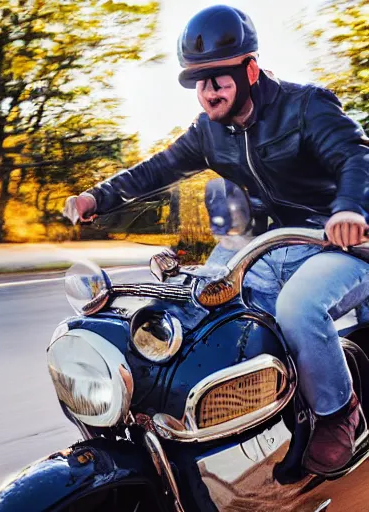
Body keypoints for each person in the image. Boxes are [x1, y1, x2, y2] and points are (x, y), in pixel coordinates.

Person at [63, 4, 369, 474]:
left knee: (297, 309)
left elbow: (355, 155)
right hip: (271, 245)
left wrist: (350, 208)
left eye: (219, 79)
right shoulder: (210, 132)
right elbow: (158, 168)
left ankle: (337, 413)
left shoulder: (306, 106)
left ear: (250, 69)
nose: (207, 92)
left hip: (341, 243)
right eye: (198, 82)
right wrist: (96, 198)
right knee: (201, 304)